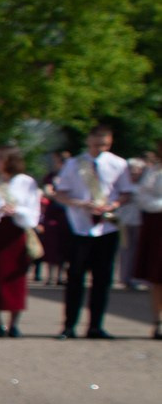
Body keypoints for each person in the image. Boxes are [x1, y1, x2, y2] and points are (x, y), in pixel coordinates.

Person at [54, 125, 128, 339]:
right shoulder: (74, 163)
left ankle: (96, 325)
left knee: (102, 279)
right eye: (96, 143)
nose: (99, 148)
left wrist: (112, 205)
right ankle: (69, 325)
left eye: (104, 144)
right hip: (80, 225)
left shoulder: (118, 164)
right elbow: (60, 194)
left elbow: (125, 193)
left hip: (106, 225)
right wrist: (78, 204)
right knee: (75, 276)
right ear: (88, 141)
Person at [0, 148, 41, 338]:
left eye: (1, 159)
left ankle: (14, 324)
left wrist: (17, 210)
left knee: (16, 279)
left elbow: (33, 213)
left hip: (16, 234)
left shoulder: (26, 182)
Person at [131, 138, 162, 338]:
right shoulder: (155, 171)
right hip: (159, 225)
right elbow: (142, 197)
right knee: (159, 277)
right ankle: (158, 321)